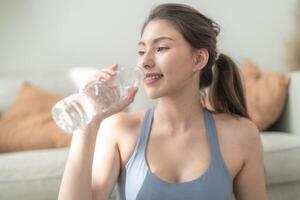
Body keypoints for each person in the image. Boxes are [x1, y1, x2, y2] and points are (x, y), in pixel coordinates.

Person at [58, 3, 267, 200]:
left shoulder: (241, 135)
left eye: (161, 48)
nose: (145, 62)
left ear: (198, 59)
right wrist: (86, 125)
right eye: (141, 51)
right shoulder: (120, 130)